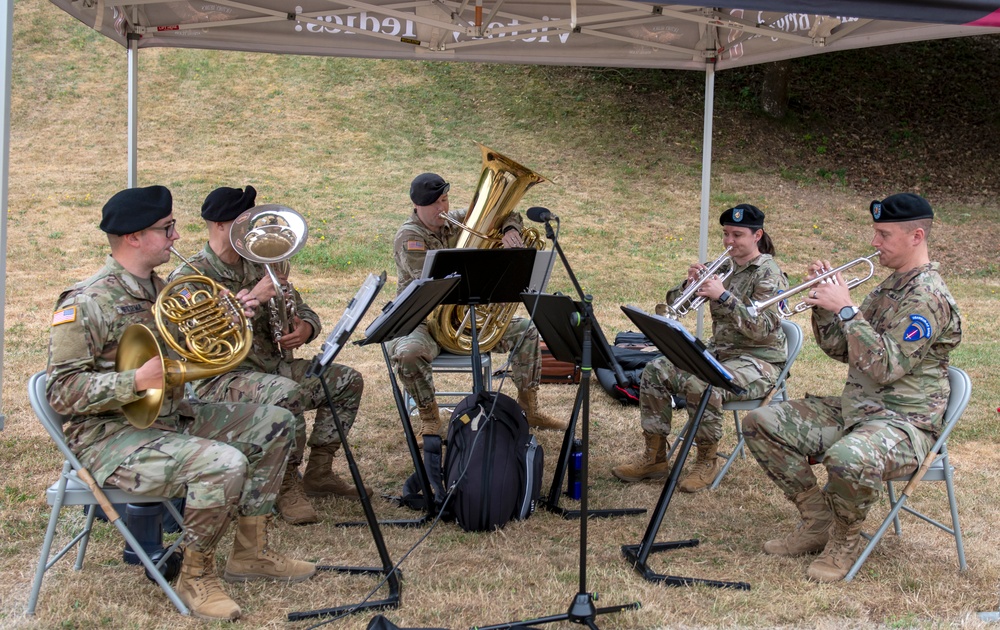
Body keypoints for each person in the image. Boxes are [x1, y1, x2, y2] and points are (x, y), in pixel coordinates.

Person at [46, 186, 314, 621]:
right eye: (166, 228)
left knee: (275, 421)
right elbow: (61, 392)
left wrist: (231, 316)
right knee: (223, 463)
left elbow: (191, 355)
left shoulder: (164, 289)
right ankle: (196, 575)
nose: (176, 235)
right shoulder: (86, 302)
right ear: (134, 237)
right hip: (112, 438)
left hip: (168, 418)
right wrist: (134, 380)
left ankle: (250, 553)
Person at [743, 193, 962, 582]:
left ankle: (845, 540)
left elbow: (885, 366)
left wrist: (847, 309)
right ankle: (818, 519)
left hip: (903, 424)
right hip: (858, 411)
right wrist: (825, 306)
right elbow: (843, 349)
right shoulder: (890, 286)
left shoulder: (927, 297)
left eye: (883, 234)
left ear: (916, 237)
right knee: (761, 421)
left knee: (848, 455)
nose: (874, 243)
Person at [168, 185, 366, 526]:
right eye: (243, 224)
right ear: (218, 225)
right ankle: (285, 481)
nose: (253, 232)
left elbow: (304, 310)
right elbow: (189, 340)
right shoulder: (191, 277)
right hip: (220, 380)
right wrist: (251, 299)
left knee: (347, 381)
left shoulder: (260, 263)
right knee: (285, 395)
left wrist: (305, 328)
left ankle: (319, 472)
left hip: (273, 367)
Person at [612, 204, 788, 493]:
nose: (729, 241)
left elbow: (763, 329)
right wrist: (689, 283)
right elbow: (672, 301)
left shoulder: (770, 274)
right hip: (721, 353)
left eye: (737, 235)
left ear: (758, 235)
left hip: (759, 361)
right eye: (726, 234)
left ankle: (707, 459)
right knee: (656, 370)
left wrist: (725, 297)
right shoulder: (724, 267)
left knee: (702, 383)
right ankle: (654, 458)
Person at [390, 172, 566, 446]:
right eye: (435, 205)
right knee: (409, 353)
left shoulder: (457, 220)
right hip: (424, 323)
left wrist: (510, 231)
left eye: (445, 200)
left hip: (464, 318)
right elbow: (429, 284)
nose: (442, 209)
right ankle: (429, 419)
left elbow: (510, 214)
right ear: (417, 206)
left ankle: (529, 409)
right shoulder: (409, 237)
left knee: (527, 331)